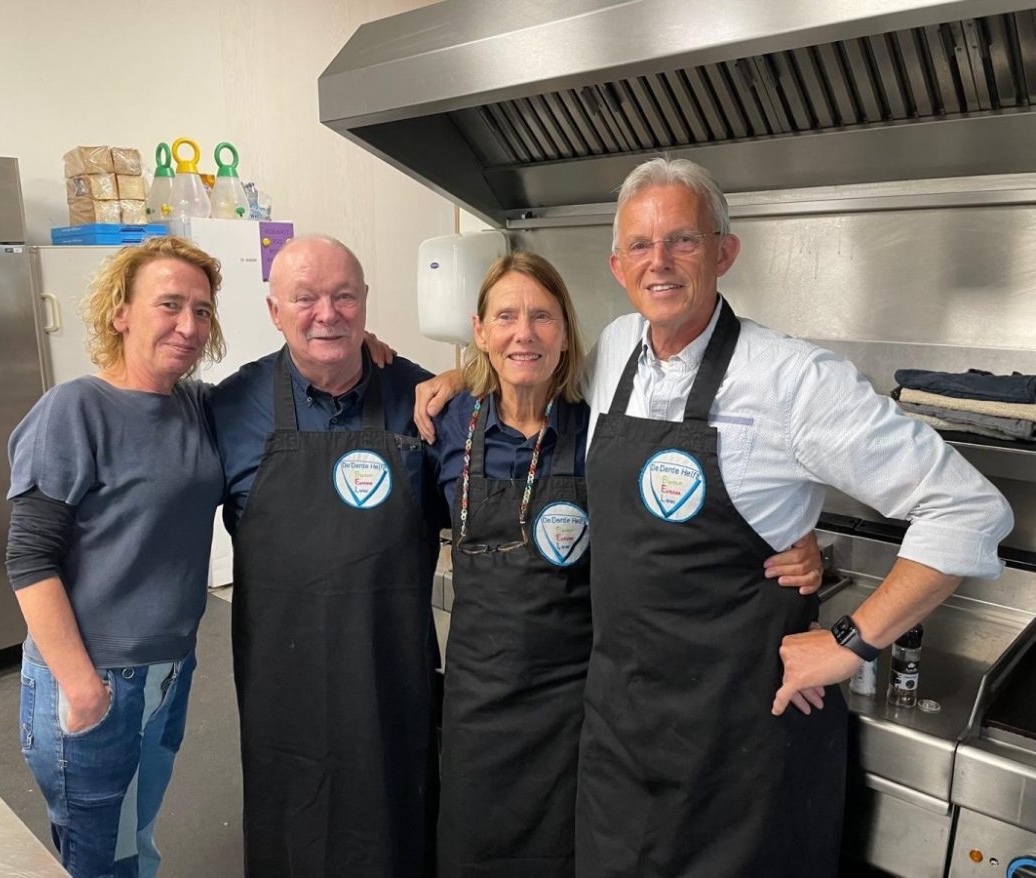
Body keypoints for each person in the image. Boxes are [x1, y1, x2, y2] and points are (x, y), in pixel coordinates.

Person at [575, 158, 1011, 877]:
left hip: (742, 756)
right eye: (640, 247)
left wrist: (850, 639)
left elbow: (968, 508)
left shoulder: (794, 381)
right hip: (620, 740)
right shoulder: (614, 350)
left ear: (724, 252)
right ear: (618, 265)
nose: (660, 263)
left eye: (683, 240)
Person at [427, 251, 825, 878]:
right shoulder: (448, 422)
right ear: (480, 331)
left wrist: (792, 544)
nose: (522, 332)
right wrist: (448, 377)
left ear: (566, 334)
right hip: (479, 699)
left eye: (541, 317)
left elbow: (685, 518)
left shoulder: (602, 427)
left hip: (578, 703)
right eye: (504, 317)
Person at [207, 235, 445, 878]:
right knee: (294, 829)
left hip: (391, 670)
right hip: (283, 682)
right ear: (273, 310)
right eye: (305, 299)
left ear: (366, 304)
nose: (327, 314)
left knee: (400, 819)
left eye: (344, 297)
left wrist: (466, 372)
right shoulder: (228, 407)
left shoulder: (425, 398)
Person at [5, 236, 226, 878]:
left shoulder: (198, 406)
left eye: (203, 310)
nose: (188, 325)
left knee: (136, 837)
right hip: (94, 676)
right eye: (169, 305)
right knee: (96, 858)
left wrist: (373, 355)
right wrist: (81, 689)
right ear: (121, 312)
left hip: (169, 670)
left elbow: (288, 378)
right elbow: (29, 559)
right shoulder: (75, 409)